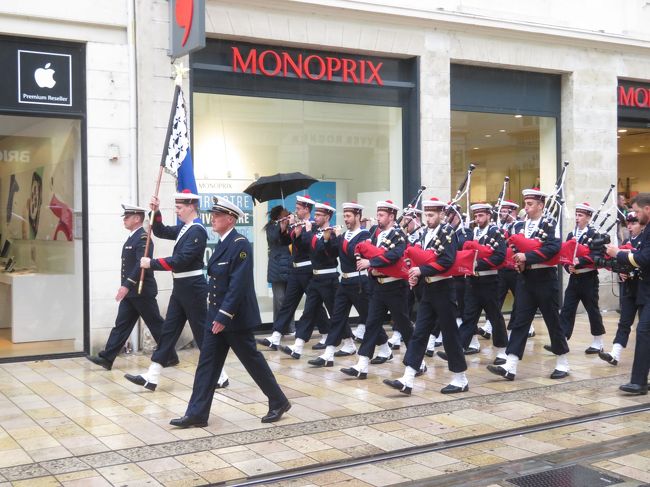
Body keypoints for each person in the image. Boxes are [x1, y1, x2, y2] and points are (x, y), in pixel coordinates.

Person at [170, 197, 291, 427]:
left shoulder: (240, 244)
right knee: (207, 364)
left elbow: (238, 284)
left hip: (235, 319)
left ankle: (278, 400)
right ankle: (197, 413)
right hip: (216, 317)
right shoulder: (223, 243)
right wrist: (214, 315)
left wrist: (224, 316)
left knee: (253, 361)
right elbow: (216, 283)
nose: (213, 219)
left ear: (230, 219)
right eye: (213, 215)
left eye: (217, 215)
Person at [124, 190, 209, 391]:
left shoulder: (197, 231)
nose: (177, 211)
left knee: (202, 335)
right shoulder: (184, 229)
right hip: (181, 288)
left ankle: (220, 375)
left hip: (193, 288)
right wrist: (156, 210)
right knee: (169, 332)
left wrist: (150, 263)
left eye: (179, 207)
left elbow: (181, 260)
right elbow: (161, 231)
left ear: (190, 207)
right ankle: (152, 376)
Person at [487, 188, 570, 381]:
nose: (526, 207)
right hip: (525, 279)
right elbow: (515, 247)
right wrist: (519, 260)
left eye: (530, 204)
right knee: (520, 322)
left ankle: (562, 361)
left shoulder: (550, 223)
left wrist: (528, 256)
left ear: (541, 205)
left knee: (552, 321)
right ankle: (511, 364)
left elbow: (553, 248)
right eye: (525, 203)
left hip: (545, 279)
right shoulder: (519, 226)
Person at [86, 204, 178, 370]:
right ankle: (107, 358)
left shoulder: (144, 238)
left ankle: (170, 356)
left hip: (141, 291)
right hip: (132, 293)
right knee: (121, 325)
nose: (124, 220)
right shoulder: (132, 238)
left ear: (137, 219)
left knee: (156, 324)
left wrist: (126, 285)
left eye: (127, 217)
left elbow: (140, 265)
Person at [340, 200, 414, 379]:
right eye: (378, 214)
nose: (378, 218)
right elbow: (369, 250)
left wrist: (371, 262)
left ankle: (418, 361)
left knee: (403, 325)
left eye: (382, 215)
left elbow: (394, 256)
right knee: (371, 324)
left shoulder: (398, 235)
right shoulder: (376, 234)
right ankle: (362, 364)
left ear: (391, 216)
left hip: (395, 286)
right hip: (378, 286)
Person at [257, 195, 327, 349]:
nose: (296, 211)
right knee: (288, 303)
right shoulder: (296, 224)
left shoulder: (314, 226)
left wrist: (299, 231)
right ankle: (276, 336)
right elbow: (282, 242)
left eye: (299, 208)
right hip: (295, 269)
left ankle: (326, 334)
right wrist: (285, 228)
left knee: (315, 303)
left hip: (308, 269)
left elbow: (307, 245)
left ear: (307, 209)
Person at [308, 202, 369, 367]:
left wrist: (339, 237)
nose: (346, 219)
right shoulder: (344, 236)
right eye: (345, 216)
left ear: (357, 216)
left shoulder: (364, 234)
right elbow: (332, 254)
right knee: (337, 317)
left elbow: (352, 254)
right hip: (345, 281)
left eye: (349, 216)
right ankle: (328, 354)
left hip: (359, 281)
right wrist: (328, 239)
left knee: (370, 318)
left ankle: (385, 348)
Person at [280, 202, 338, 358]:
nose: (316, 217)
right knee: (308, 312)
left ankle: (349, 343)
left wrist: (306, 232)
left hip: (329, 278)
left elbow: (321, 250)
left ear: (327, 217)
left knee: (336, 313)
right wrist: (297, 233)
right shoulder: (317, 231)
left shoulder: (329, 233)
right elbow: (304, 248)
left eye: (319, 215)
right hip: (316, 277)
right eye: (316, 215)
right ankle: (298, 346)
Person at [606, 193, 650, 395]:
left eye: (638, 211)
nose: (636, 216)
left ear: (647, 209)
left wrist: (619, 254)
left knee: (643, 332)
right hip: (644, 290)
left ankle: (638, 382)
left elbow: (644, 258)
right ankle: (640, 380)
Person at [456, 203, 508, 364]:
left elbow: (500, 256)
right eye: (476, 216)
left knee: (495, 317)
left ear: (489, 216)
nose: (477, 219)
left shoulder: (495, 232)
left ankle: (502, 352)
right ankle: (458, 349)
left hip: (489, 280)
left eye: (481, 216)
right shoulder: (474, 233)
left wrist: (478, 264)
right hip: (473, 281)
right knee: (469, 316)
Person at [556, 203, 606, 353]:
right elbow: (565, 255)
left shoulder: (594, 234)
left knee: (592, 310)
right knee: (567, 310)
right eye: (576, 215)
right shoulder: (571, 234)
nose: (577, 218)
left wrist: (580, 261)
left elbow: (597, 255)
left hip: (589, 278)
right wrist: (568, 267)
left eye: (581, 215)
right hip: (574, 278)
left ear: (588, 218)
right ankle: (562, 341)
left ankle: (598, 341)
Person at [600, 211, 645, 366]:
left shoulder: (644, 240)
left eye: (634, 223)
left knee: (644, 326)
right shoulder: (626, 240)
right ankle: (615, 353)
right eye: (629, 224)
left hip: (643, 287)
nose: (631, 227)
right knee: (624, 321)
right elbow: (620, 262)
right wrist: (621, 274)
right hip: (629, 287)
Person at [264, 206, 292, 324]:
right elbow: (273, 238)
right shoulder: (271, 226)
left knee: (289, 300)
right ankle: (280, 326)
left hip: (289, 265)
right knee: (279, 299)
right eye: (284, 214)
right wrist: (282, 227)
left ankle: (288, 327)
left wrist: (288, 226)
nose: (286, 215)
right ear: (278, 215)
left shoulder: (290, 225)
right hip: (276, 266)